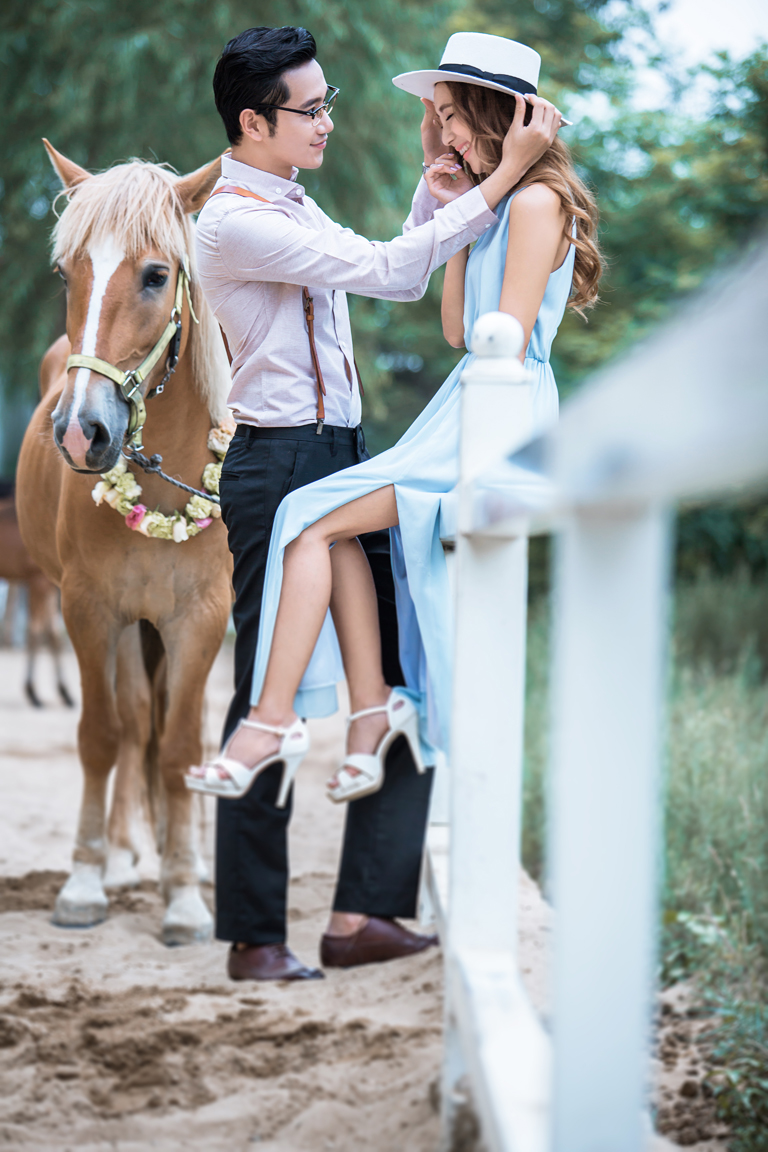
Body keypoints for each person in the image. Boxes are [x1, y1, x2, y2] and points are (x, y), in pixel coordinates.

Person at [189, 26, 559, 981]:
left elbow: (398, 260)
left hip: (342, 453)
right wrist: (494, 177)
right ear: (254, 121)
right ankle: (255, 936)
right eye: (311, 110)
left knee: (397, 673)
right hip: (278, 462)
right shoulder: (232, 221)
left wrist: (435, 192)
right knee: (265, 687)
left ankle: (363, 916)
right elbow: (396, 274)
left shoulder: (294, 200)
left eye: (329, 103)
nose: (327, 123)